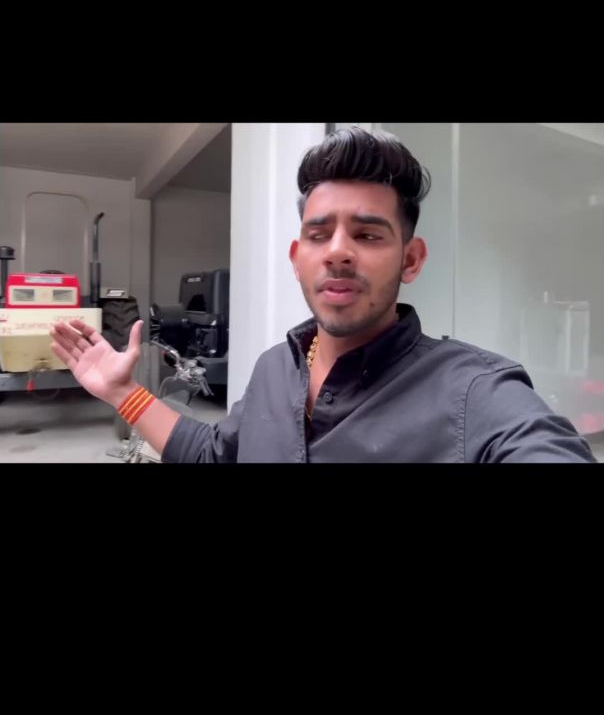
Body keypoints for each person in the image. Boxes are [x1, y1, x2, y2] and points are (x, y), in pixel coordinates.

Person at [50, 127, 597, 463]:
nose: (338, 251)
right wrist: (123, 393)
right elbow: (216, 455)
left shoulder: (475, 393)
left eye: (368, 234)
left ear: (411, 260)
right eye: (319, 234)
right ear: (298, 259)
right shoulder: (273, 369)